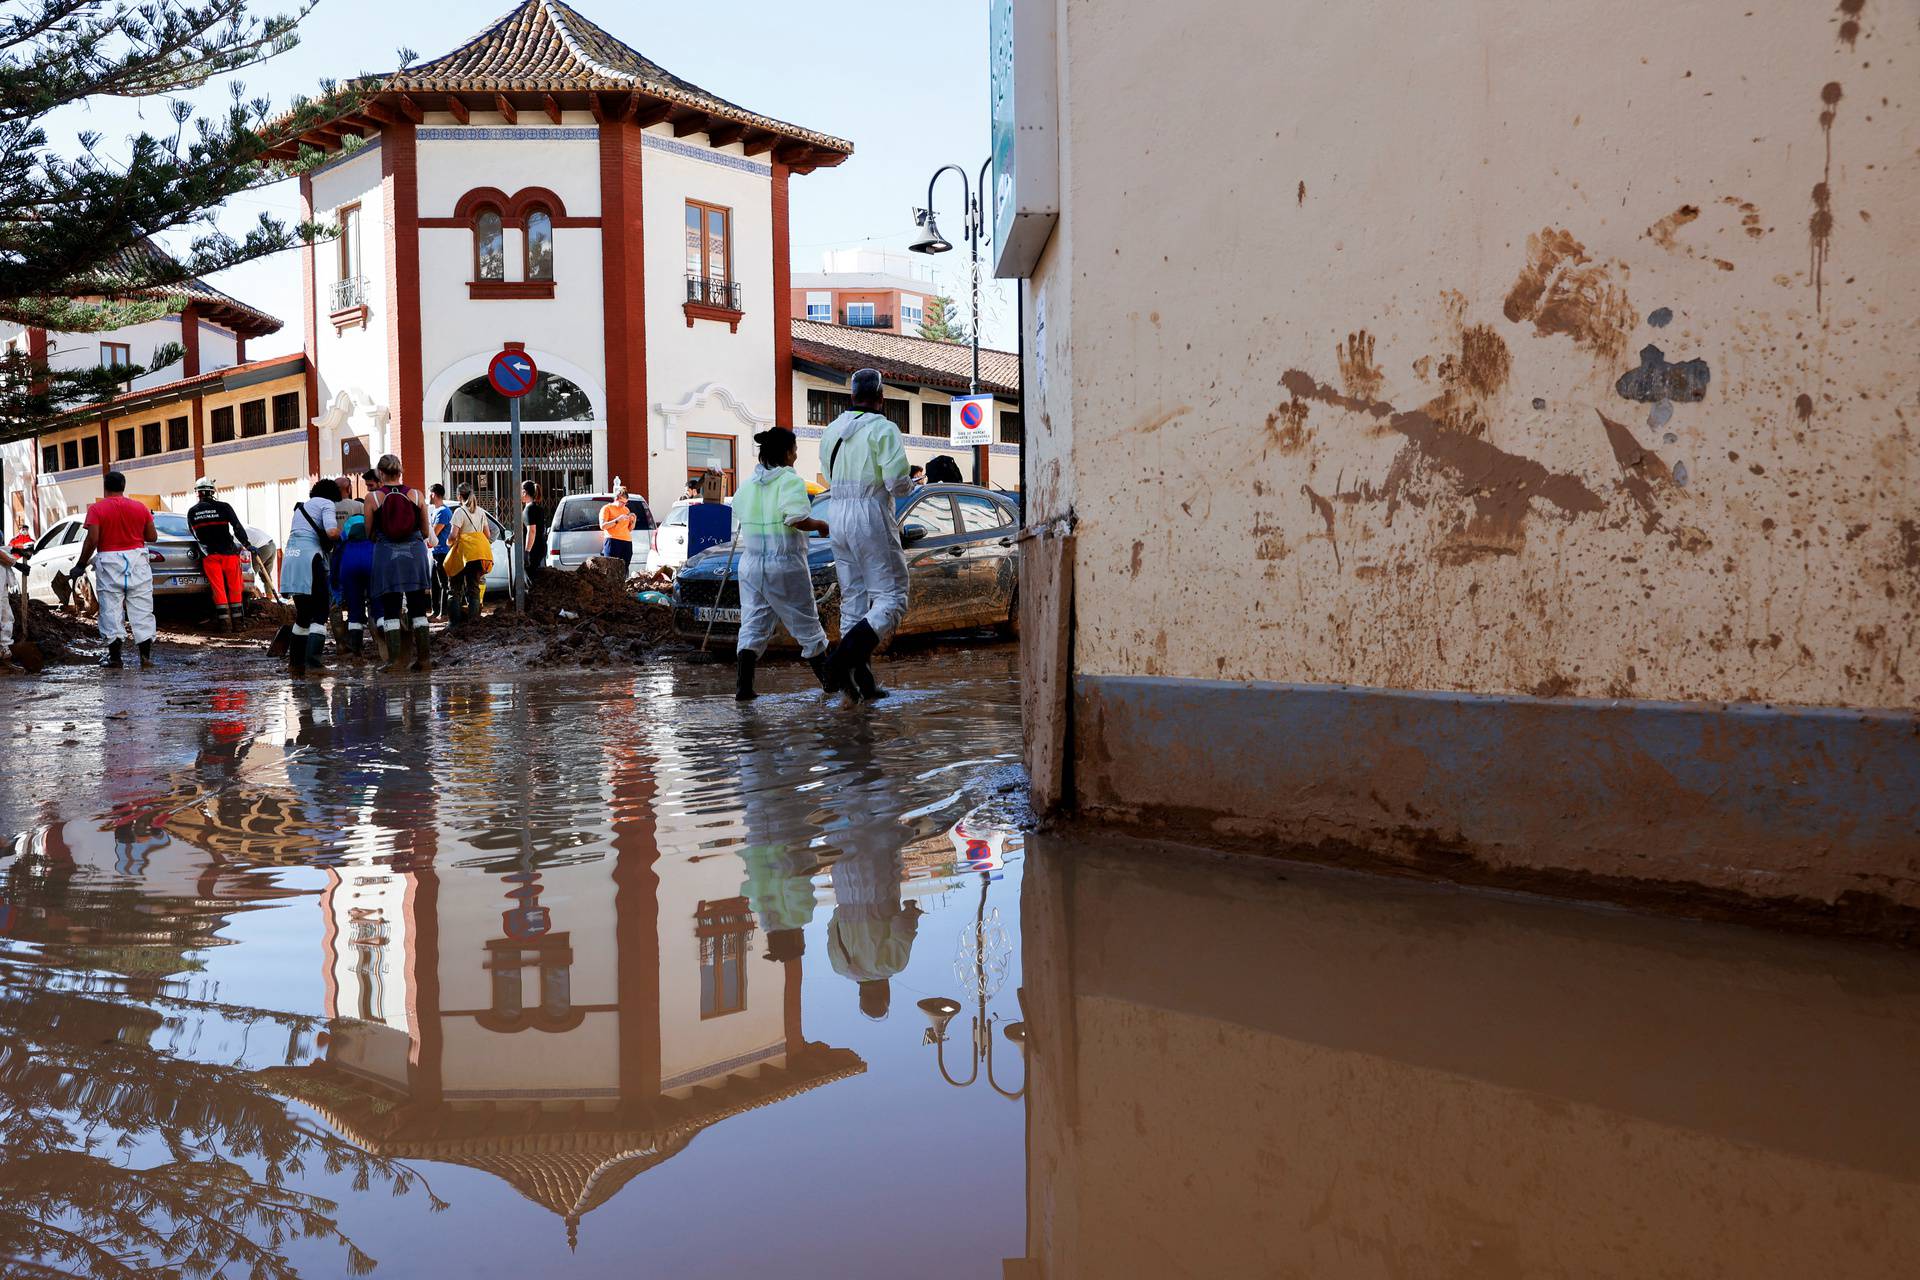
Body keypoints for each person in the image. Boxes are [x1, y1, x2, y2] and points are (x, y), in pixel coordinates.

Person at [818, 368, 913, 702]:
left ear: (852, 397)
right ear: (881, 397)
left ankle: (863, 688)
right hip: (869, 515)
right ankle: (839, 662)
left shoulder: (831, 431)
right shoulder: (884, 429)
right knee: (892, 597)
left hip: (836, 515)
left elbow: (828, 475)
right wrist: (912, 482)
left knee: (854, 600)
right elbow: (896, 483)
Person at [731, 427, 835, 700]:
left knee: (752, 623)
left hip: (751, 566)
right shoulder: (790, 481)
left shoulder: (748, 485)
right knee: (807, 626)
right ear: (787, 452)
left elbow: (740, 512)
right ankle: (833, 686)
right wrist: (822, 525)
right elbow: (796, 518)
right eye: (795, 449)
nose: (797, 455)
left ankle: (744, 689)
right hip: (785, 564)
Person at [66, 471, 159, 669]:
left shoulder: (97, 509)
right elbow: (152, 536)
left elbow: (93, 539)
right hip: (137, 562)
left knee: (110, 610)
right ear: (123, 486)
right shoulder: (140, 507)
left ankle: (115, 658)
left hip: (109, 563)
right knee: (142, 609)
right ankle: (145, 658)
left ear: (105, 487)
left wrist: (80, 565)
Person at [365, 454, 433, 674]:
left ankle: (394, 662)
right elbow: (424, 531)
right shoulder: (416, 495)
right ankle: (423, 660)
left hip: (386, 553)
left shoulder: (373, 498)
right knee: (417, 606)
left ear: (381, 474)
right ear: (401, 472)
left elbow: (369, 533)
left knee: (391, 606)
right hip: (415, 552)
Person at [280, 478, 340, 677]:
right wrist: (345, 534)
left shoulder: (301, 507)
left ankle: (295, 664)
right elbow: (331, 532)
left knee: (304, 613)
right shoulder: (327, 504)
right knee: (321, 610)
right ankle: (314, 664)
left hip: (291, 558)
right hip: (311, 559)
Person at [185, 477, 253, 632]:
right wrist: (247, 544)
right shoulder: (224, 507)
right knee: (235, 587)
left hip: (210, 556)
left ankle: (225, 625)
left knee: (219, 589)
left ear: (198, 493)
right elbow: (237, 527)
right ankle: (239, 624)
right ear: (213, 491)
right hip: (229, 553)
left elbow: (194, 534)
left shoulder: (192, 512)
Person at [444, 484, 492, 625]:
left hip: (463, 555)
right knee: (474, 589)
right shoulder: (481, 512)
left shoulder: (459, 512)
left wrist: (448, 543)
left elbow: (453, 536)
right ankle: (474, 623)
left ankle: (454, 624)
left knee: (455, 589)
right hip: (478, 555)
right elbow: (487, 534)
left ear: (459, 496)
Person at [598, 482, 638, 570]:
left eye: (625, 503)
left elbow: (629, 529)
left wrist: (633, 521)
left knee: (624, 568)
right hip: (613, 541)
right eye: (622, 502)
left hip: (627, 541)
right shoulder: (606, 508)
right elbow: (603, 526)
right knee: (611, 569)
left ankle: (623, 583)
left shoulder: (626, 509)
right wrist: (617, 520)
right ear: (616, 498)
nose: (624, 505)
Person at [428, 483, 453, 617]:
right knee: (434, 584)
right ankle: (435, 611)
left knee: (444, 583)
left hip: (443, 552)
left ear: (433, 494)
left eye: (429, 494)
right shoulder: (436, 511)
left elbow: (435, 532)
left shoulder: (443, 511)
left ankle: (443, 614)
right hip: (436, 552)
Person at [520, 480, 549, 576]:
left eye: (520, 490)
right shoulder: (537, 508)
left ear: (524, 492)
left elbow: (532, 531)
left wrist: (527, 552)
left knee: (531, 579)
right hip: (540, 547)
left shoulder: (529, 509)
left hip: (534, 550)